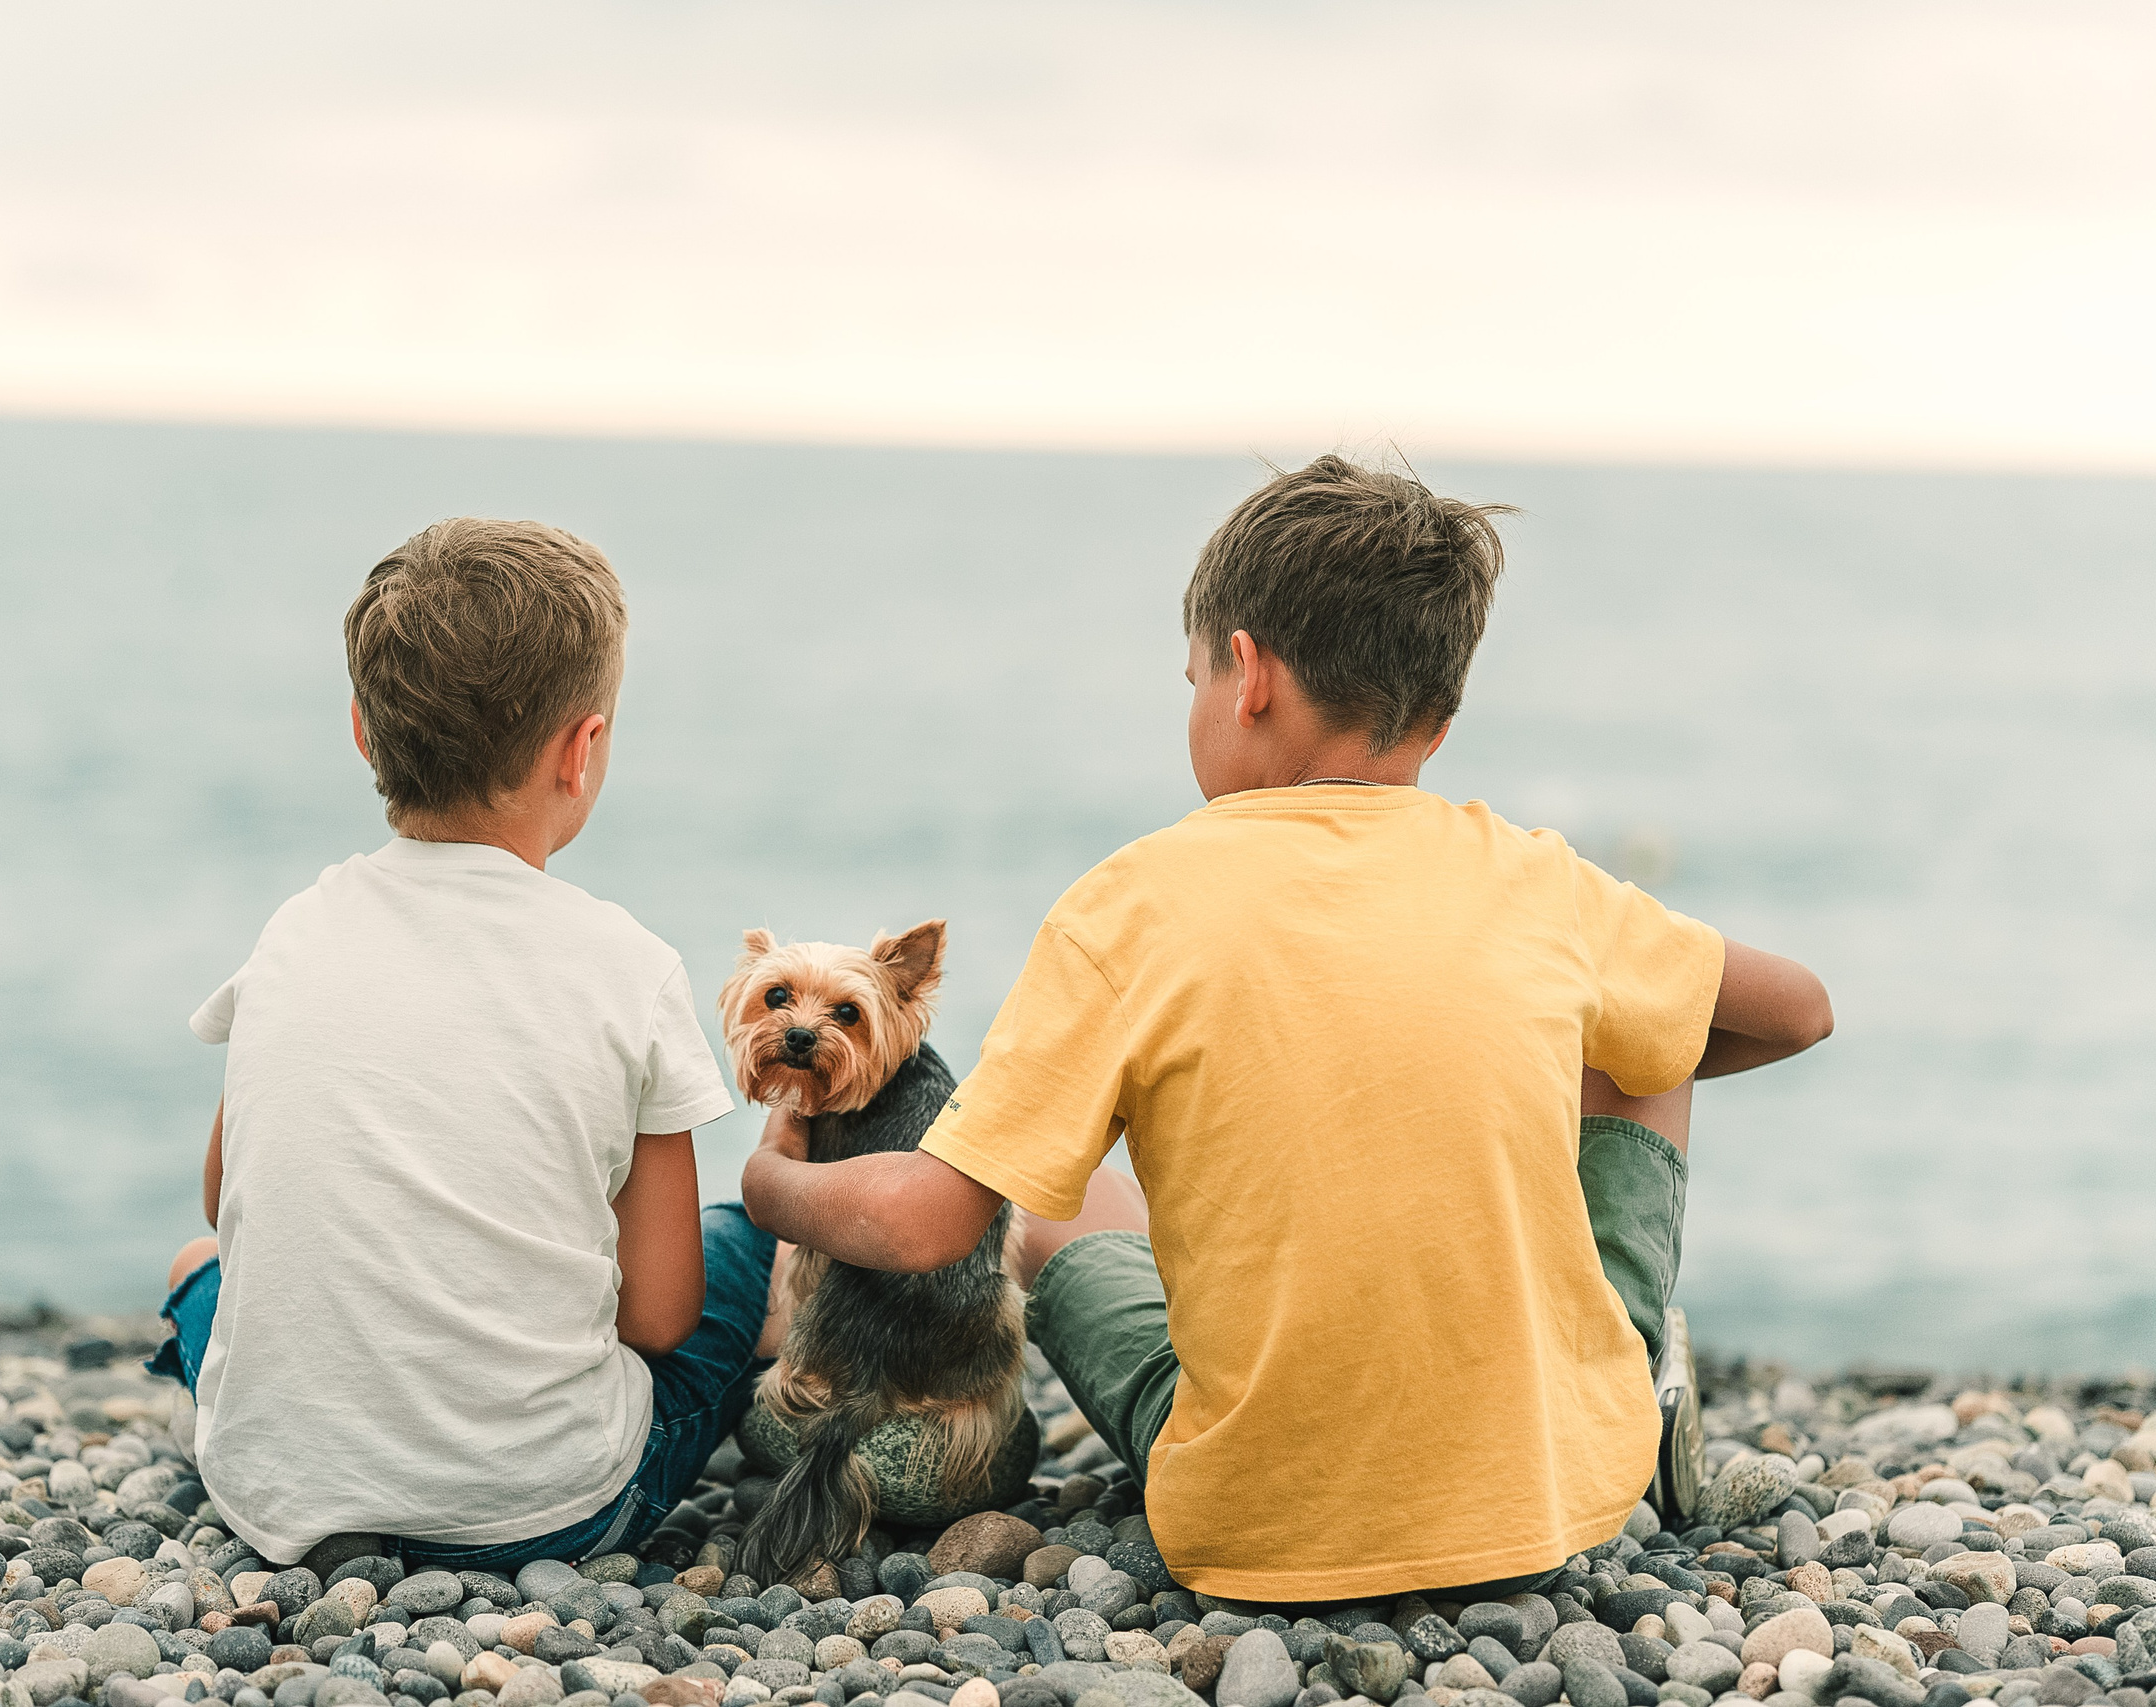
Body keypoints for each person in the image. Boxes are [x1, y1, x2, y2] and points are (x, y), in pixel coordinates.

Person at [740, 455, 1833, 1605]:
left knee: (1045, 1200)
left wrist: (774, 1187)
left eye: (1193, 678)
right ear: (1440, 720)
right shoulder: (1538, 881)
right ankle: (1621, 1372)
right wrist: (1528, 1059)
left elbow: (924, 1226)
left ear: (1247, 675)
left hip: (1252, 1528)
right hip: (1548, 1504)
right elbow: (1799, 1010)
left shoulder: (1130, 905)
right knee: (1657, 1017)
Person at [148, 517, 775, 1571]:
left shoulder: (293, 932)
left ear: (362, 731)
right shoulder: (629, 968)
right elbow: (662, 1318)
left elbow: (224, 1199)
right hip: (546, 1508)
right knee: (741, 1244)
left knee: (198, 1262)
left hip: (278, 1494)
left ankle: (285, 1449)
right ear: (581, 750)